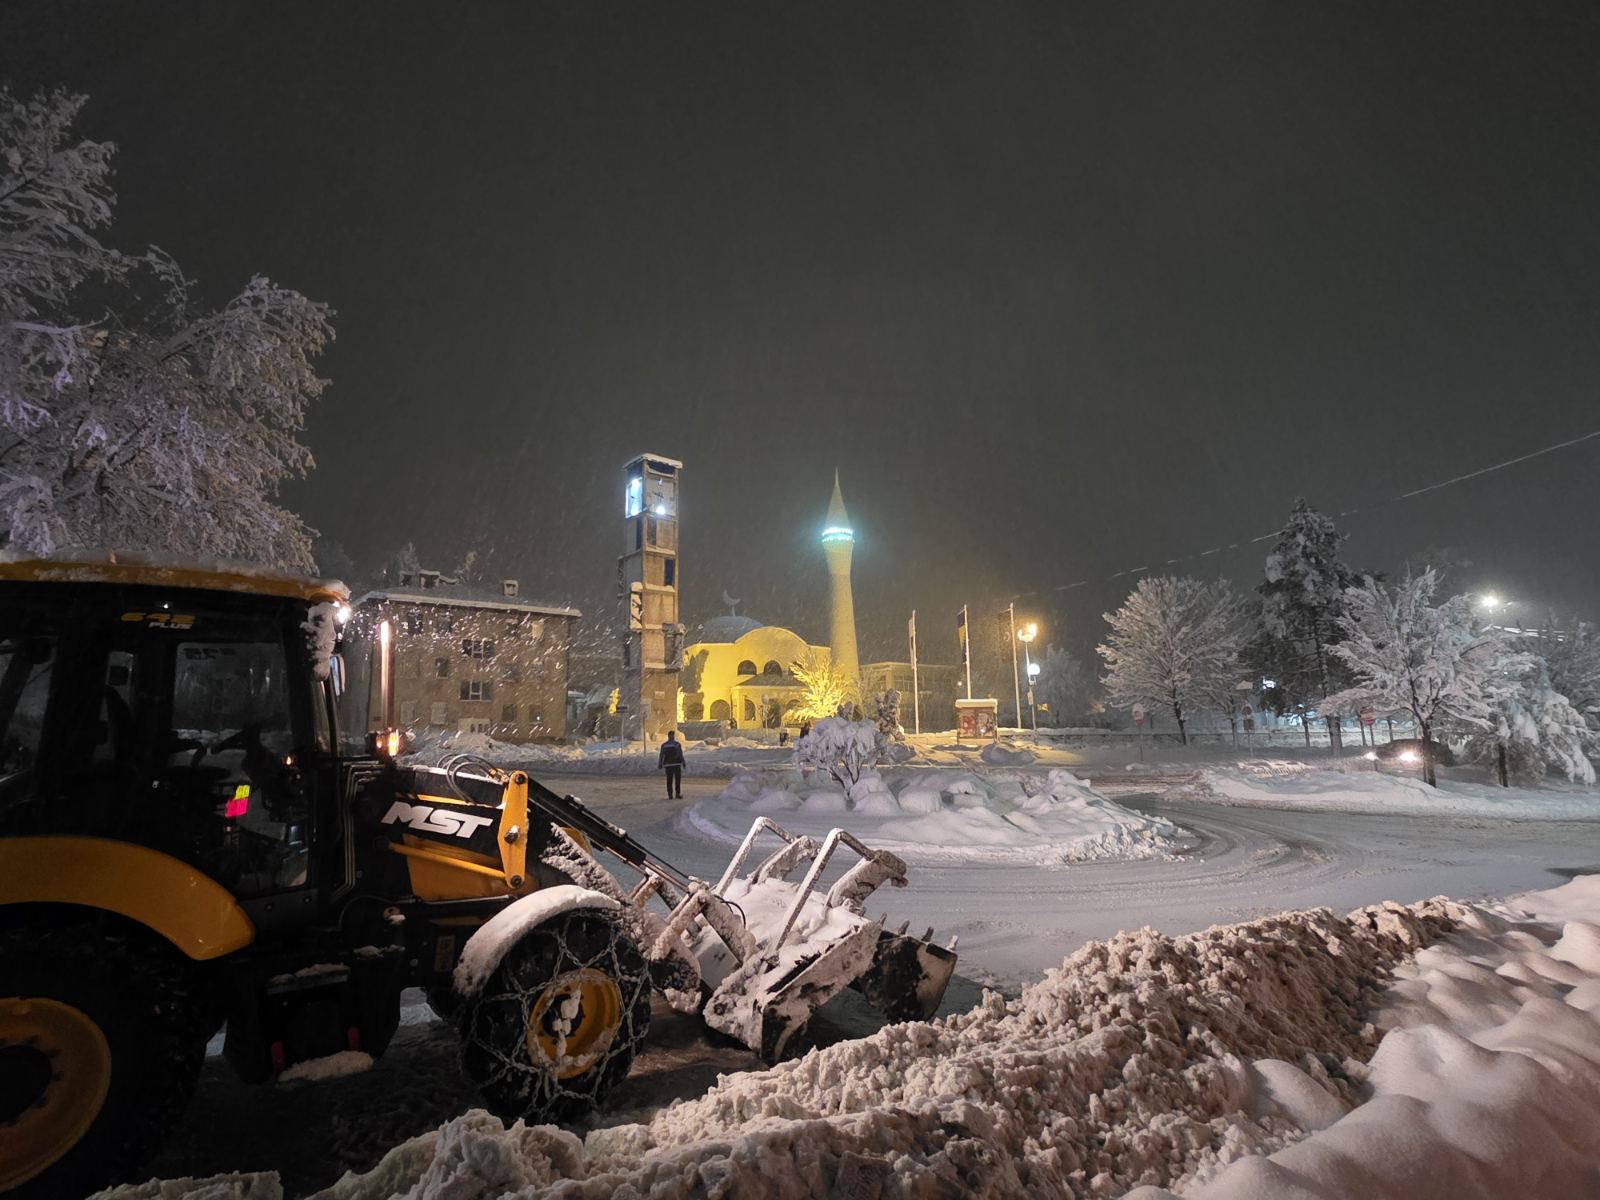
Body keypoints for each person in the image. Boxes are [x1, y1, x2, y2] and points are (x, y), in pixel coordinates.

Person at [658, 730, 685, 799]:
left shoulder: (664, 745)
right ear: (673, 736)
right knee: (677, 780)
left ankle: (670, 795)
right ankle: (677, 794)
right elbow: (680, 754)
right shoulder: (677, 744)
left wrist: (660, 763)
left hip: (668, 765)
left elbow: (661, 755)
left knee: (669, 780)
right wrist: (683, 762)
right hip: (676, 764)